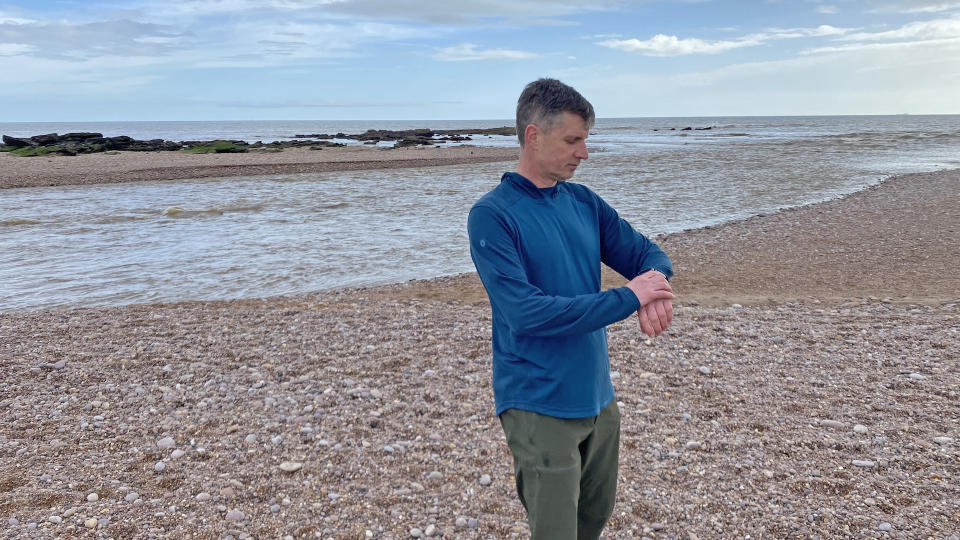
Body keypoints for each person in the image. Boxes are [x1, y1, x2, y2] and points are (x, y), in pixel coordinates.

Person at [467, 78, 675, 540]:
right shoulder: (493, 215)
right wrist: (629, 298)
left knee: (592, 523)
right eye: (573, 140)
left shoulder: (583, 202)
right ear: (533, 136)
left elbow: (650, 256)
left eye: (585, 140)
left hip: (599, 398)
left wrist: (654, 289)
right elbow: (526, 312)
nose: (584, 153)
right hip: (538, 401)